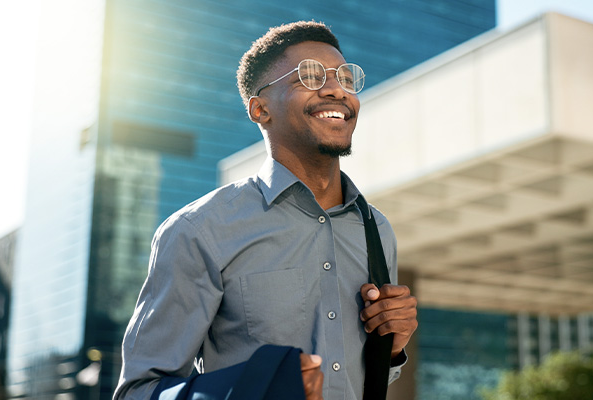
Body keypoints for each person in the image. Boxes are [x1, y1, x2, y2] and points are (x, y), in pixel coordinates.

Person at [113, 21, 418, 400]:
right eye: (310, 75)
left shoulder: (376, 229)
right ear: (260, 109)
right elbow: (140, 392)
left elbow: (358, 383)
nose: (337, 89)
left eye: (345, 77)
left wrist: (390, 349)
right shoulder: (199, 230)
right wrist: (256, 389)